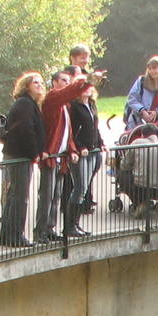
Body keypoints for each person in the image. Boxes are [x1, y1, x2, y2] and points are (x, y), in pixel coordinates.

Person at [35, 68, 94, 242]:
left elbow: (66, 133)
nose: (68, 84)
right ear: (54, 83)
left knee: (55, 196)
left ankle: (50, 228)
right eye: (64, 80)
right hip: (50, 157)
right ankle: (40, 231)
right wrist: (87, 81)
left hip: (61, 158)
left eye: (69, 81)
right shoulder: (52, 98)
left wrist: (72, 150)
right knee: (46, 196)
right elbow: (69, 92)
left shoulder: (65, 107)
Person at [0, 71, 45, 248]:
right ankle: (15, 235)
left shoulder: (29, 104)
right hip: (20, 156)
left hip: (20, 155)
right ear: (26, 86)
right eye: (35, 83)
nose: (39, 85)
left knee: (15, 196)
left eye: (41, 82)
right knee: (19, 197)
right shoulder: (25, 103)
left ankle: (8, 236)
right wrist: (34, 153)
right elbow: (25, 130)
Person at [68, 76, 103, 234]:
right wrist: (79, 147)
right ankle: (70, 226)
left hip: (93, 150)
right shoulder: (74, 107)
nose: (88, 89)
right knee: (80, 187)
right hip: (82, 152)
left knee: (84, 187)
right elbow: (73, 130)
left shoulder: (91, 104)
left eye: (90, 87)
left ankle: (75, 224)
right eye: (84, 86)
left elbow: (95, 127)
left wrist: (101, 143)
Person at [125, 55, 158, 126]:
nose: (152, 71)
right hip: (138, 122)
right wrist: (143, 111)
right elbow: (132, 100)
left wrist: (157, 112)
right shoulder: (141, 82)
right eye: (149, 69)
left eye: (154, 68)